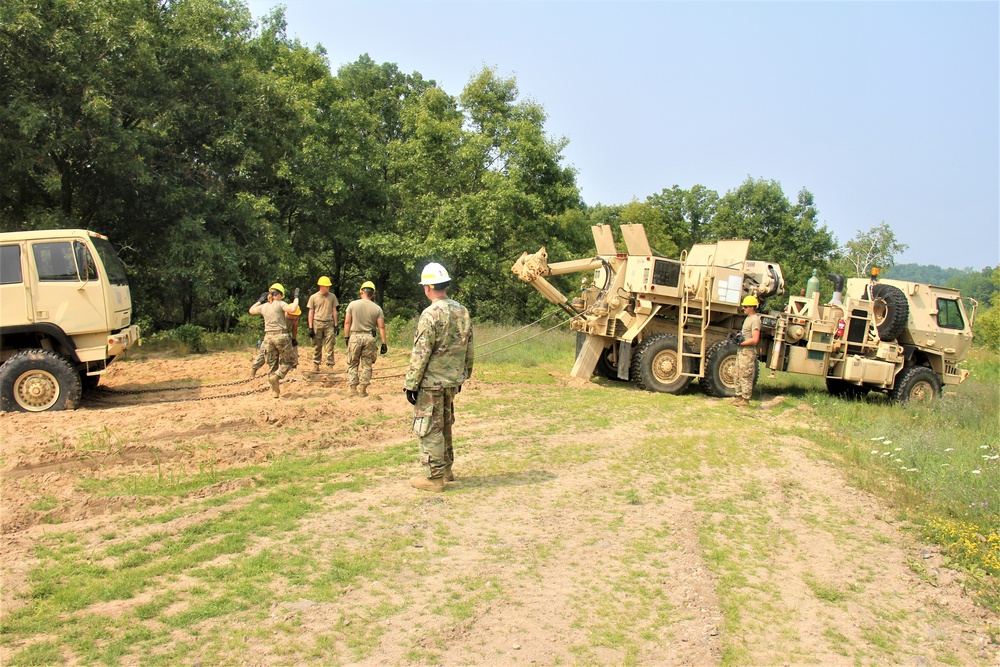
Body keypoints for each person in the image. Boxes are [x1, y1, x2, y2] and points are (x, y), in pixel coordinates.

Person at [403, 263, 474, 492]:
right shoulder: (462, 311)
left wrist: (411, 384)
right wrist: (463, 375)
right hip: (451, 380)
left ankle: (434, 478)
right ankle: (446, 470)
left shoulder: (430, 313)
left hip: (431, 383)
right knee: (445, 425)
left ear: (429, 287)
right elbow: (469, 346)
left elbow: (421, 352)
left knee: (430, 428)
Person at [248, 283, 299, 398]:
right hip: (280, 335)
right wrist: (296, 298)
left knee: (272, 364)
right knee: (290, 361)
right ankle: (277, 376)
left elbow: (251, 310)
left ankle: (275, 392)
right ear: (279, 294)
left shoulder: (264, 306)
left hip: (268, 337)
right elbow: (292, 308)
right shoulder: (280, 303)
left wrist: (259, 301)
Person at [343, 280, 387, 397]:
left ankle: (353, 389)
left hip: (355, 336)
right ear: (373, 294)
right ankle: (363, 389)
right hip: (369, 337)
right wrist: (384, 343)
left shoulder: (352, 305)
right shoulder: (377, 309)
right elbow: (381, 327)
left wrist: (347, 337)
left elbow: (347, 322)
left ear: (361, 292)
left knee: (353, 363)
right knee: (367, 365)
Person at [732, 294, 761, 407]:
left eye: (746, 306)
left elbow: (755, 339)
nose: (743, 308)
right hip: (742, 350)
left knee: (745, 375)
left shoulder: (755, 320)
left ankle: (746, 399)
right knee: (737, 373)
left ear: (752, 307)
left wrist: (742, 343)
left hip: (747, 351)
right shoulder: (748, 319)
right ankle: (739, 396)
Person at [307, 276, 339, 372]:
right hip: (317, 322)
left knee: (330, 345)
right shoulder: (313, 297)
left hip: (329, 323)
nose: (328, 288)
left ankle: (330, 365)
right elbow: (311, 312)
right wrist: (310, 327)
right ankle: (316, 364)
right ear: (321, 286)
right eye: (327, 286)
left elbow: (334, 310)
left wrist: (336, 325)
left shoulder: (332, 297)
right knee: (317, 345)